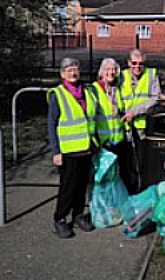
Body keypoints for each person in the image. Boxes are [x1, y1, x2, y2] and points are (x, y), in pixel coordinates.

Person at [47, 58, 95, 238]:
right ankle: (59, 218)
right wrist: (56, 151)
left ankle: (78, 215)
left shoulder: (87, 91)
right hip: (68, 151)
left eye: (75, 69)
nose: (73, 73)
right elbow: (52, 124)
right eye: (68, 71)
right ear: (62, 75)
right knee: (68, 187)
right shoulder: (58, 95)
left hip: (86, 148)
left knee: (81, 185)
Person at [90, 58, 135, 194]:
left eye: (114, 70)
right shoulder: (95, 89)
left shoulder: (118, 89)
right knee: (103, 177)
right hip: (104, 142)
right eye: (108, 69)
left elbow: (123, 109)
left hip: (119, 140)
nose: (111, 72)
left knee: (120, 175)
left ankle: (120, 205)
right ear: (102, 72)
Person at [120, 49, 162, 136]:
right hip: (125, 126)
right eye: (134, 63)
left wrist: (134, 112)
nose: (137, 66)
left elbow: (155, 98)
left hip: (144, 127)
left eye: (141, 63)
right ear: (129, 63)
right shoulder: (122, 76)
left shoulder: (151, 75)